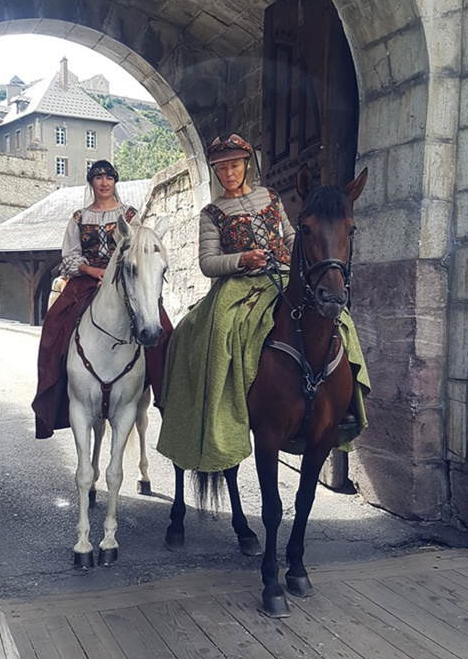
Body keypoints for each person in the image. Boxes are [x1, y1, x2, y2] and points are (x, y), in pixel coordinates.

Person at [156, 134, 368, 473]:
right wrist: (243, 259)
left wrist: (307, 256)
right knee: (220, 330)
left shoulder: (269, 197)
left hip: (283, 277)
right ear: (215, 171)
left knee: (339, 321)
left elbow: (290, 237)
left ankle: (345, 405)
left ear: (246, 166)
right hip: (238, 285)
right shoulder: (211, 213)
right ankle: (218, 410)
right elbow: (207, 262)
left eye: (235, 165)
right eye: (221, 167)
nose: (229, 172)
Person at [31, 160, 172, 439]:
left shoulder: (130, 215)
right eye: (98, 177)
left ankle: (166, 394)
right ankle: (56, 389)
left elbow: (141, 249)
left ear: (115, 181)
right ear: (91, 182)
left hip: (126, 280)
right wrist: (93, 270)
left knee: (164, 329)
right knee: (54, 327)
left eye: (109, 177)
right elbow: (69, 257)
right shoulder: (79, 218)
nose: (104, 182)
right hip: (87, 280)